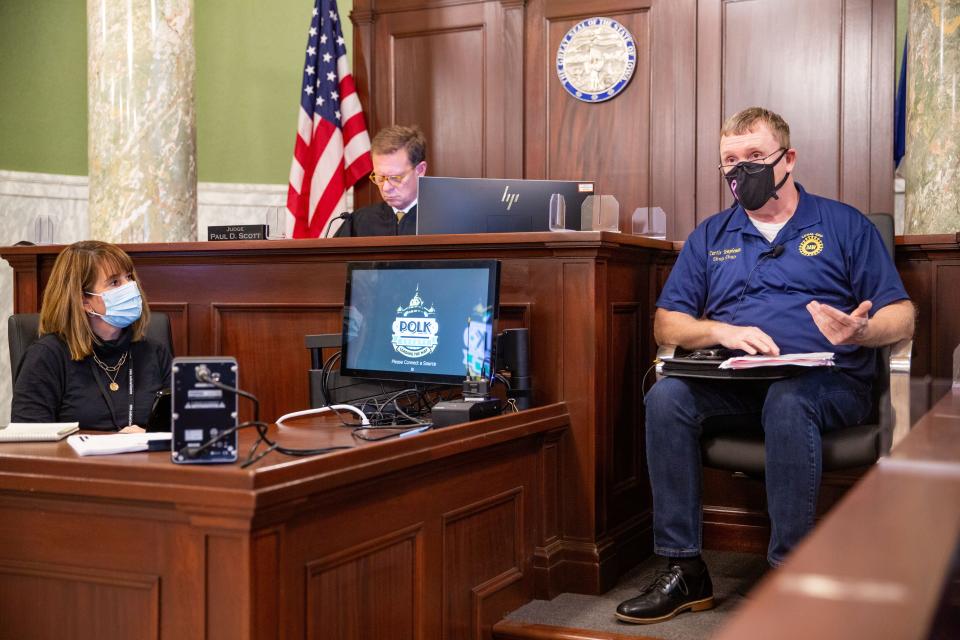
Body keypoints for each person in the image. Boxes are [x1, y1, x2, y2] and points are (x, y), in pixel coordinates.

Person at [615, 107, 914, 625]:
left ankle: (789, 573)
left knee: (789, 398)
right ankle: (685, 568)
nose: (741, 170)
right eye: (730, 161)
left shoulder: (842, 225)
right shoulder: (713, 236)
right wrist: (720, 332)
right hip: (739, 382)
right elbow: (668, 324)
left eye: (754, 157)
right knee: (666, 397)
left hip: (829, 383)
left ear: (787, 159)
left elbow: (903, 315)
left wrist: (862, 331)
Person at [11, 240, 172, 432]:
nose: (130, 287)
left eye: (128, 277)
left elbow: (184, 429)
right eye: (114, 282)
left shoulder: (154, 352)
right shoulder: (46, 357)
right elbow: (29, 443)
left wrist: (147, 436)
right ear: (84, 301)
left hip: (145, 461)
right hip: (76, 461)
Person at [334, 124, 427, 237]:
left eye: (395, 178)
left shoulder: (446, 220)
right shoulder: (358, 223)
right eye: (380, 178)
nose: (386, 188)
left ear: (420, 170)